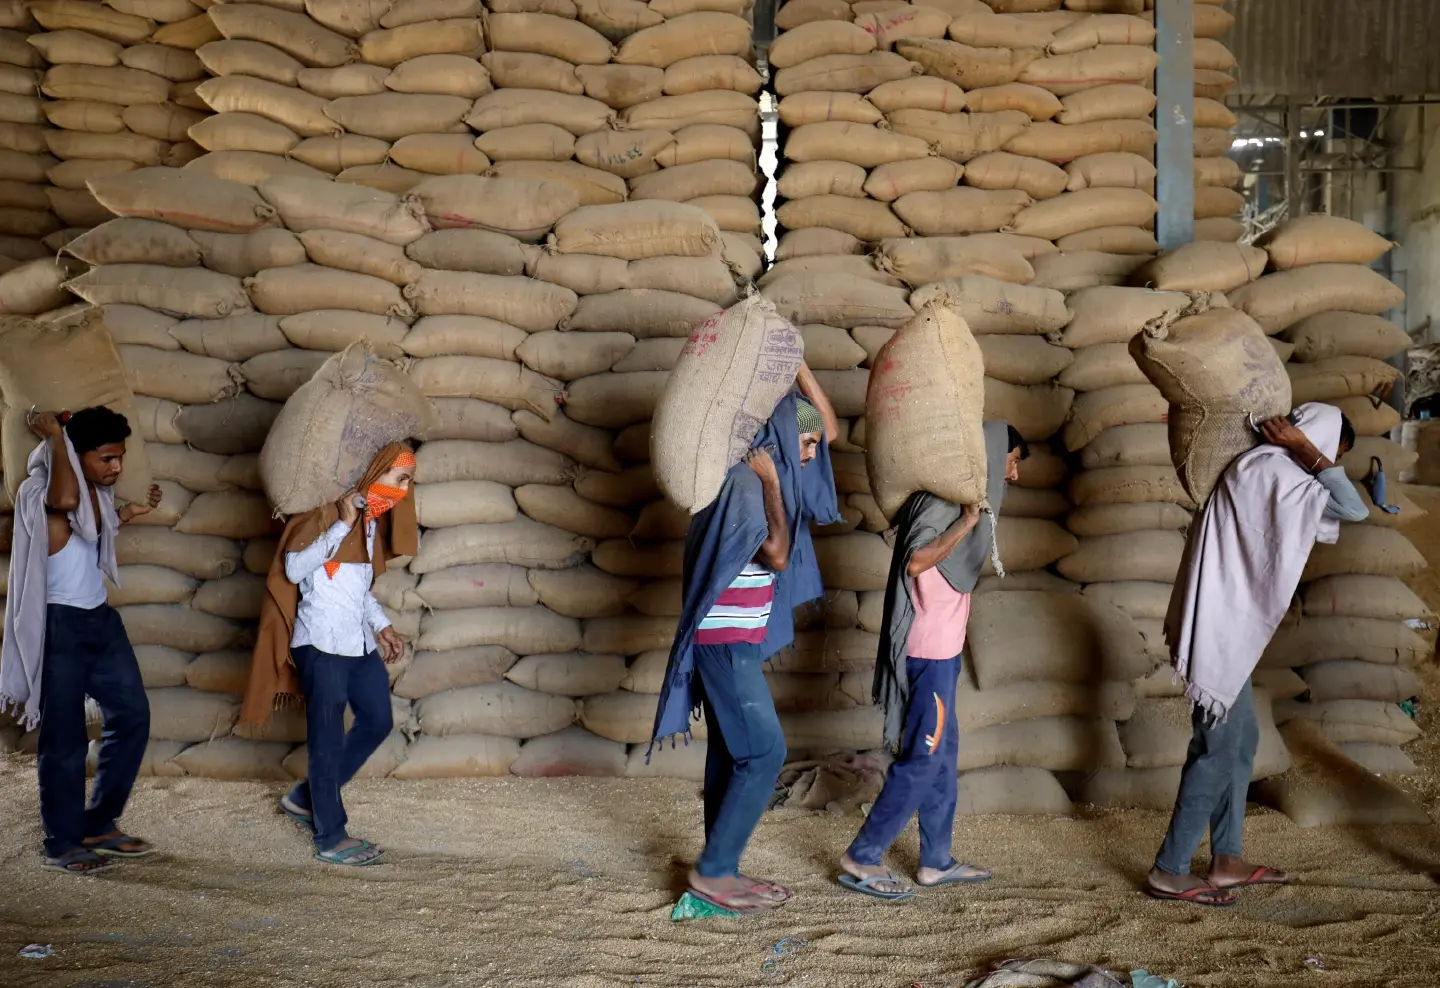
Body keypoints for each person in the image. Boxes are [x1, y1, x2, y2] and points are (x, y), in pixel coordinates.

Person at [1146, 403, 1367, 907]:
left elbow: (1343, 505)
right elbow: (1352, 509)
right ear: (1315, 439)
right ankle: (1168, 870)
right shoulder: (1263, 471)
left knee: (1240, 741)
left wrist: (1305, 457)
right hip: (1219, 631)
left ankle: (1226, 859)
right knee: (1217, 749)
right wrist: (1306, 452)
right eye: (1334, 451)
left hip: (1230, 633)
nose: (1331, 463)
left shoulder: (1282, 480)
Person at [649, 365, 839, 915]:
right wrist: (777, 483)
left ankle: (721, 864)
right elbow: (776, 554)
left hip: (736, 641)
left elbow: (827, 430)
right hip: (725, 643)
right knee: (765, 751)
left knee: (733, 753)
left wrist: (798, 368)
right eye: (802, 444)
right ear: (781, 438)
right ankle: (712, 872)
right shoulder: (749, 484)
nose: (812, 454)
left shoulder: (759, 472)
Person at [839, 422, 1027, 901]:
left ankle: (935, 861)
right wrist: (966, 521)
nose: (1014, 474)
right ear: (995, 452)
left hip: (942, 655)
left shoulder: (959, 502)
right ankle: (863, 854)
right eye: (1013, 459)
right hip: (926, 654)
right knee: (923, 759)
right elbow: (916, 563)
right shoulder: (945, 507)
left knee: (943, 758)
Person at [0, 407, 163, 874]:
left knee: (132, 715)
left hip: (99, 620)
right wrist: (55, 436)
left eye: (121, 458)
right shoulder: (43, 493)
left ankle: (98, 822)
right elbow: (66, 501)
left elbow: (91, 532)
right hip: (60, 626)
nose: (117, 468)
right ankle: (63, 841)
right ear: (76, 453)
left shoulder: (97, 497)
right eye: (107, 458)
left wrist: (131, 511)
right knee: (65, 737)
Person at [241, 443, 416, 867]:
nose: (405, 490)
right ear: (373, 473)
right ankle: (330, 836)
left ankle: (303, 799)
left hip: (356, 642)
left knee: (377, 720)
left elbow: (357, 589)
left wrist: (382, 625)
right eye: (400, 478)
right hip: (319, 645)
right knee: (326, 738)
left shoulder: (370, 525)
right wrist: (341, 524)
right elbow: (295, 570)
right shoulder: (323, 517)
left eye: (409, 481)